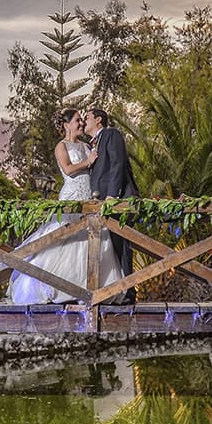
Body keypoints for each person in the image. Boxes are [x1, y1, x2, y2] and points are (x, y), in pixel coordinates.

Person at [7, 109, 124, 303]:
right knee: (64, 238)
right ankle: (54, 287)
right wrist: (87, 161)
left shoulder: (87, 145)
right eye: (78, 120)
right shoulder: (61, 146)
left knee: (91, 239)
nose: (81, 124)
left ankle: (88, 288)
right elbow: (68, 169)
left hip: (89, 196)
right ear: (66, 125)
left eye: (81, 120)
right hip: (72, 196)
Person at [83, 107, 139, 301]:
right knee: (110, 247)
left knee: (122, 245)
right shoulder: (93, 143)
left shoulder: (111, 134)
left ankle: (129, 292)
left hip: (118, 199)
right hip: (102, 201)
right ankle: (114, 291)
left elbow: (117, 163)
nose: (84, 121)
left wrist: (112, 195)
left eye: (87, 117)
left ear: (98, 120)